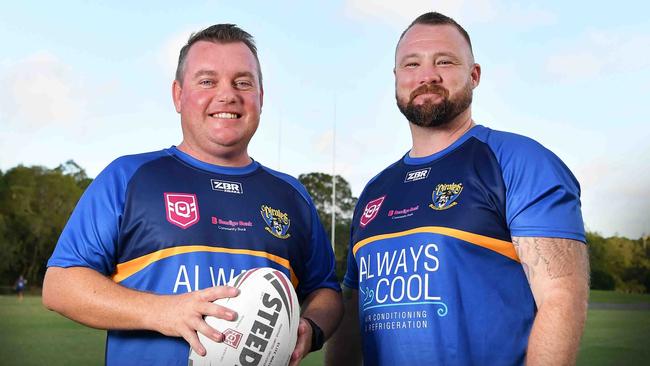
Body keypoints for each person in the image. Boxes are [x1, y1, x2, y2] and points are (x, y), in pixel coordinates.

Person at [43, 24, 343, 366]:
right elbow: (60, 286)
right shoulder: (130, 177)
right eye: (207, 81)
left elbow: (326, 291)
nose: (227, 95)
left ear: (261, 96)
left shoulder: (291, 195)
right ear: (178, 95)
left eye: (243, 82)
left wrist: (310, 327)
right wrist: (162, 312)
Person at [325, 12, 589, 366]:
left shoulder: (519, 162)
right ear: (396, 78)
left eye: (444, 61)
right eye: (411, 63)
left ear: (474, 75)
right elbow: (353, 312)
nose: (426, 75)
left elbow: (562, 300)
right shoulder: (375, 191)